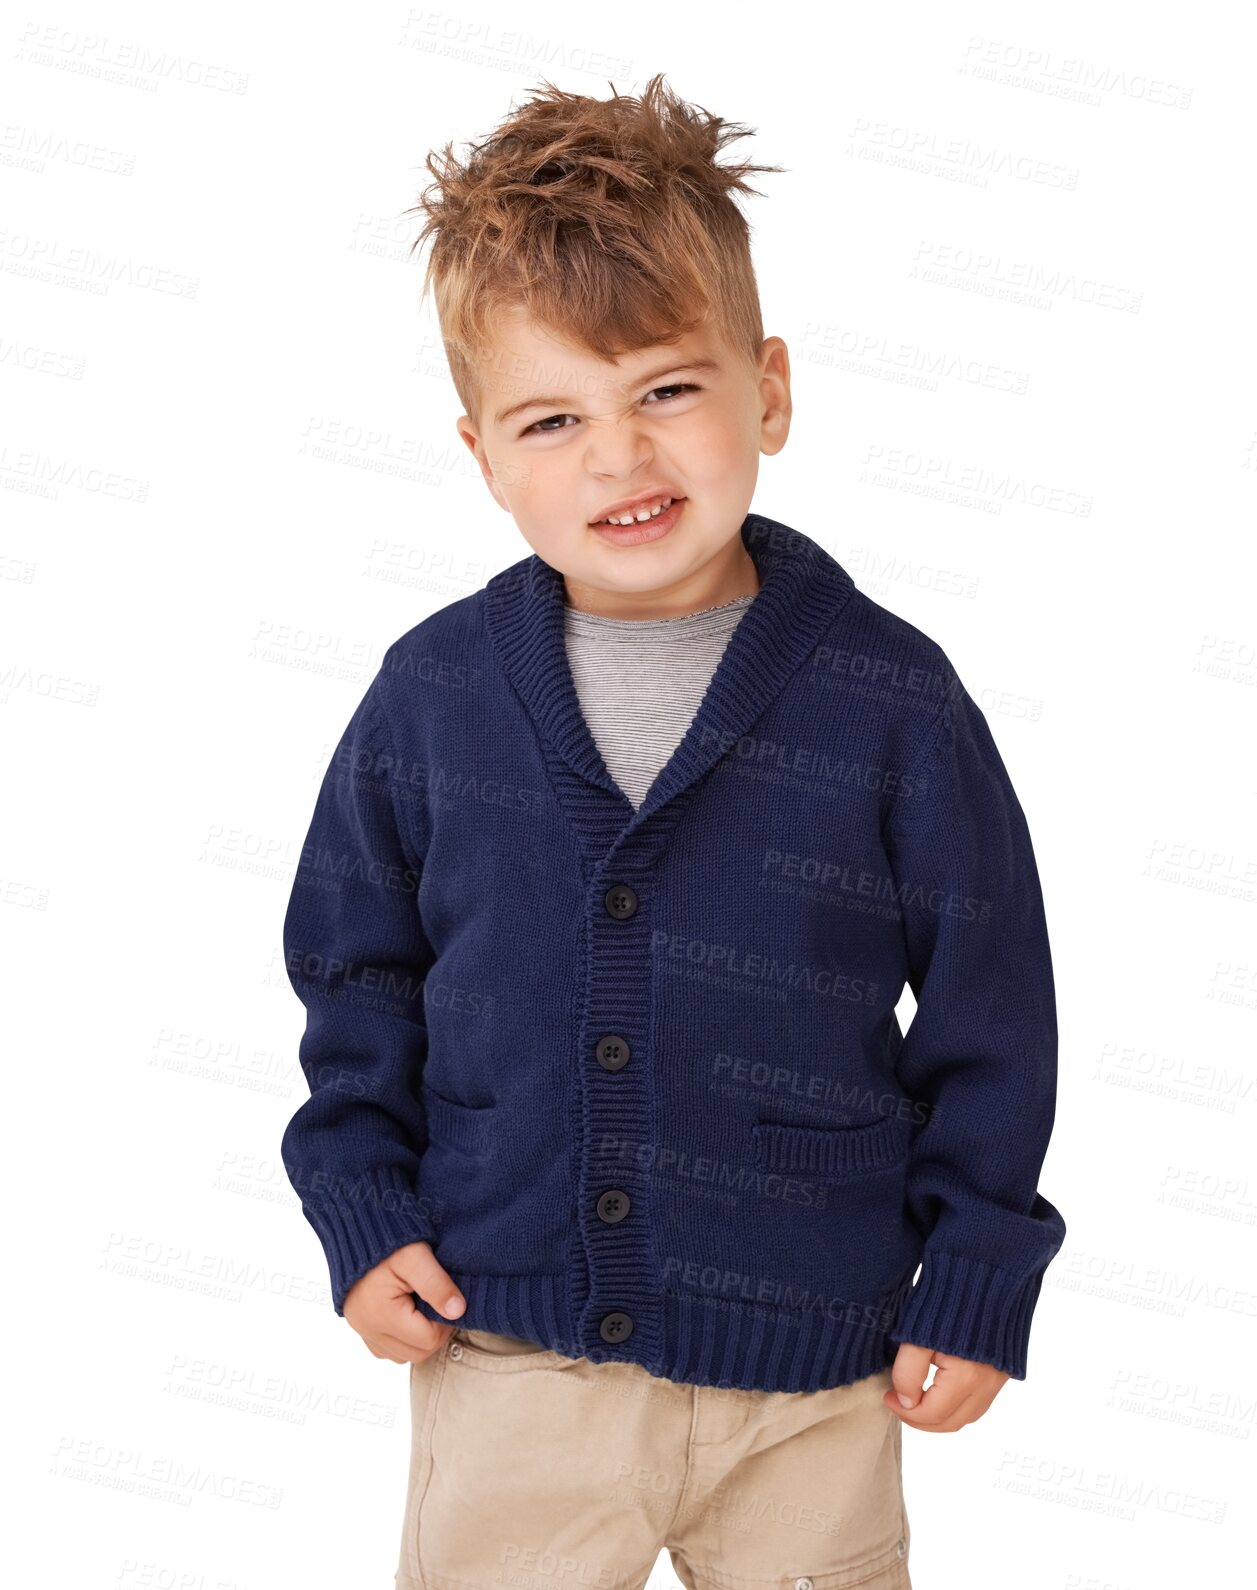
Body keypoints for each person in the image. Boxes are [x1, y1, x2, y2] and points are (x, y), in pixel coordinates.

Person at [279, 72, 1066, 1590]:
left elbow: (991, 1001)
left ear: (767, 387)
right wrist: (361, 1209)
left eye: (667, 390)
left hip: (815, 1375)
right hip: (506, 1351)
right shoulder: (433, 694)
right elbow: (352, 972)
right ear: (483, 456)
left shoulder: (887, 697)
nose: (618, 458)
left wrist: (975, 1269)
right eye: (552, 417)